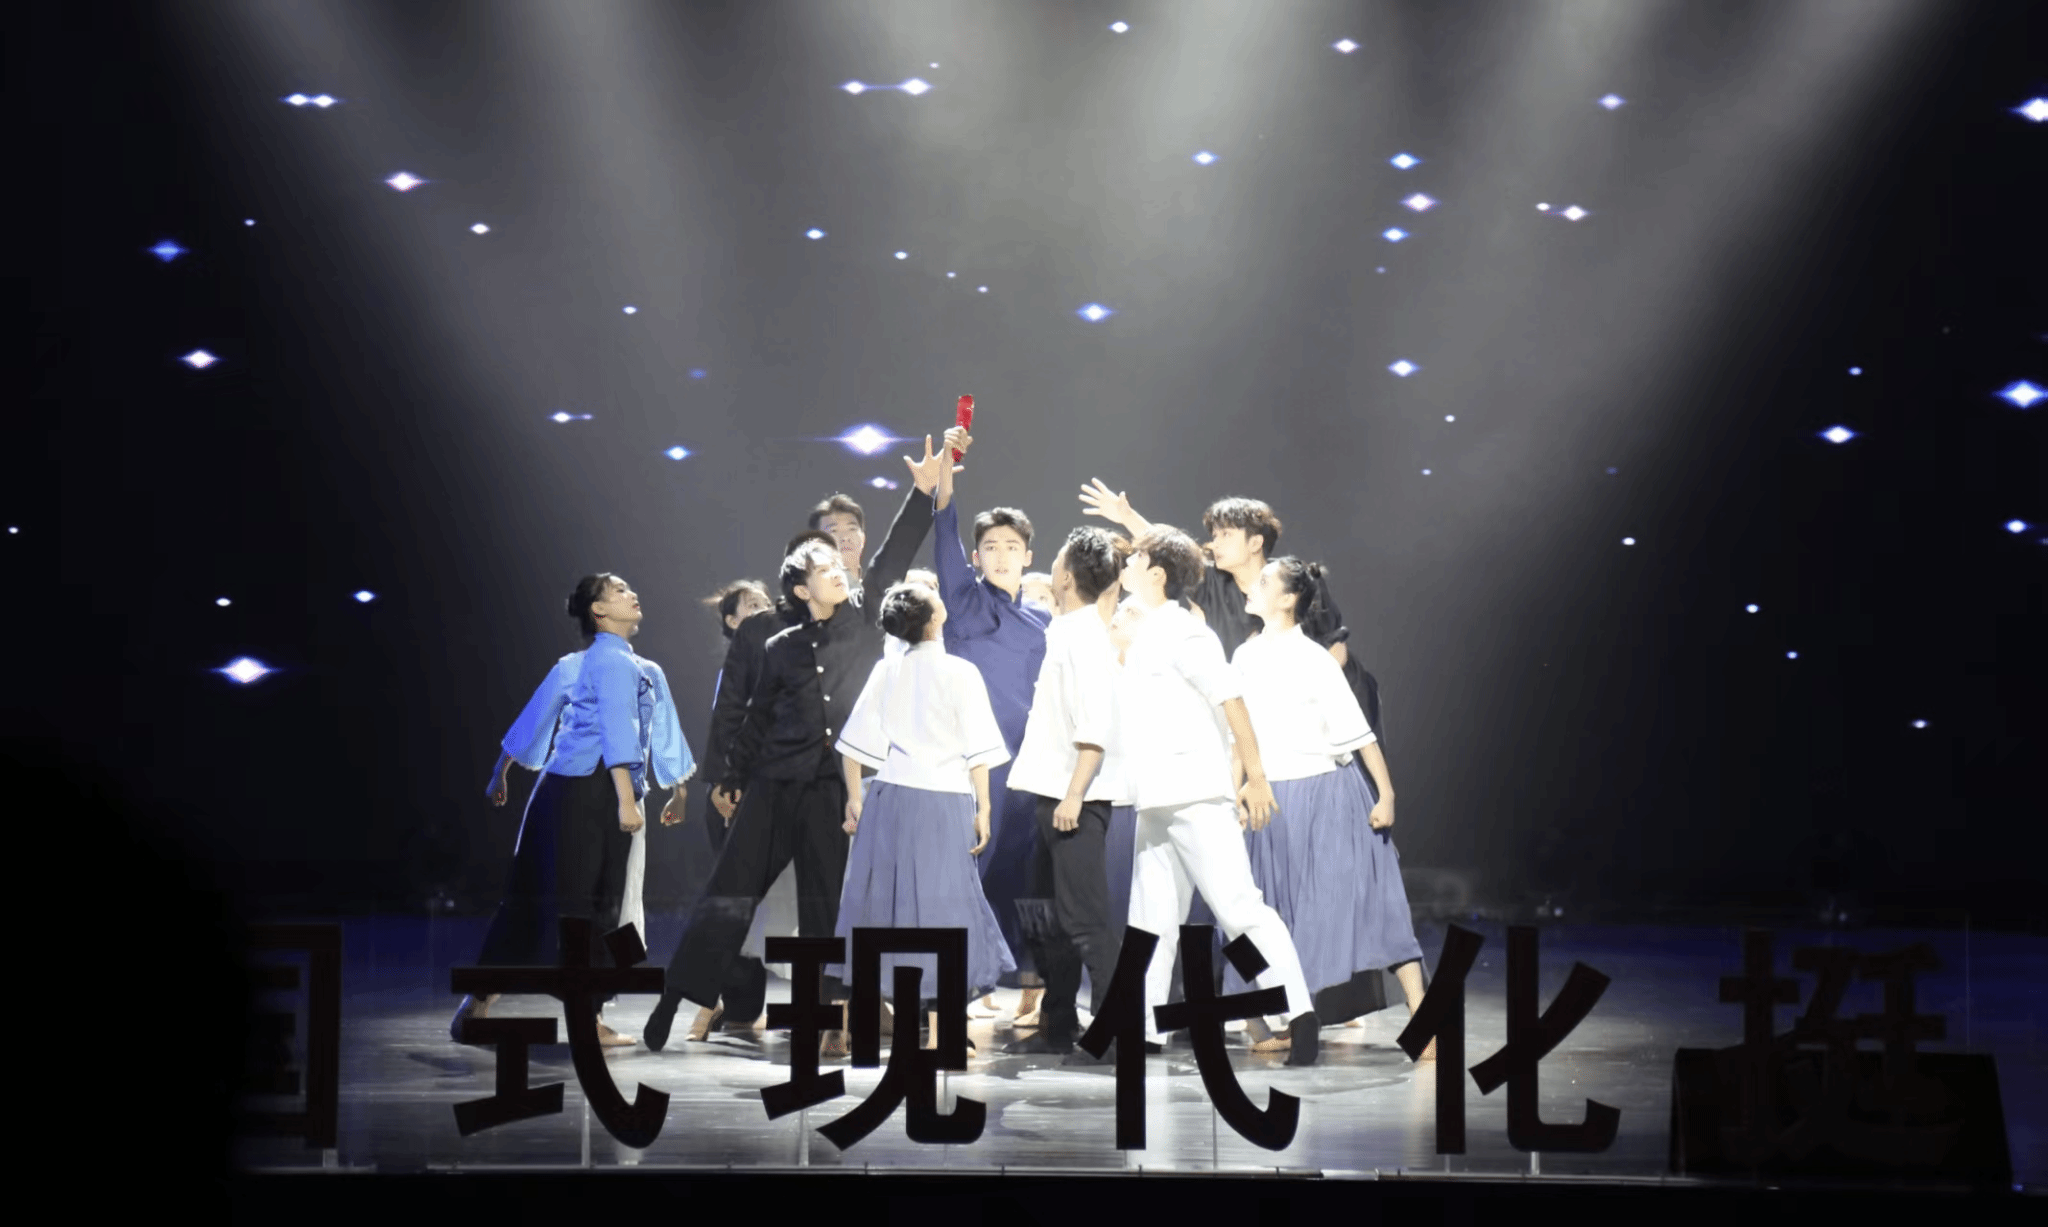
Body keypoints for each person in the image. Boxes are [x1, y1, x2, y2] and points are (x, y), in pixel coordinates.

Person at [452, 575, 693, 1047]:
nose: (632, 594)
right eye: (618, 591)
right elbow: (576, 723)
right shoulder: (593, 663)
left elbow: (664, 731)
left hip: (591, 792)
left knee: (577, 902)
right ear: (598, 612)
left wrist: (677, 790)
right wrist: (627, 799)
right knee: (587, 905)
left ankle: (497, 1000)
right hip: (586, 793)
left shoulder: (646, 669)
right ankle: (578, 1014)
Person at [1114, 527, 1322, 1065]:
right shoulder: (1145, 633)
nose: (1126, 563)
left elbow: (1232, 702)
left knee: (1238, 908)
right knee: (1150, 919)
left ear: (1156, 574)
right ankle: (1141, 1031)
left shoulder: (1187, 634)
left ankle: (1299, 1015)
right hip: (1155, 796)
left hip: (1196, 794)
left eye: (1135, 558)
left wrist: (1256, 776)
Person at [1228, 557, 1432, 1056]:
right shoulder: (1243, 656)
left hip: (1327, 797)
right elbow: (1239, 737)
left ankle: (1425, 1019)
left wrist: (1386, 794)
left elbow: (1358, 732)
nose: (1252, 587)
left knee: (1375, 906)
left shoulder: (1314, 658)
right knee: (1257, 913)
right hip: (1270, 800)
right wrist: (1232, 793)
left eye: (1264, 582)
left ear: (1287, 599)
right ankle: (1271, 1022)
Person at [832, 581, 1016, 1034]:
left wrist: (855, 798)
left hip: (891, 799)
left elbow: (851, 746)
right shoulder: (960, 672)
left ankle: (886, 1015)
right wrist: (985, 808)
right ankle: (940, 1028)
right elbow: (978, 752)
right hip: (944, 799)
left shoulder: (887, 669)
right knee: (945, 906)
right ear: (935, 619)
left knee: (888, 906)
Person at [932, 426, 1052, 1021]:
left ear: (1029, 555)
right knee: (970, 870)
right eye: (991, 546)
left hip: (1033, 766)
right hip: (978, 766)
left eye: (1012, 545)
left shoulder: (1045, 623)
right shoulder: (963, 601)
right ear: (977, 557)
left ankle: (1034, 984)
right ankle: (959, 987)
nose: (1001, 554)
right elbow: (944, 533)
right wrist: (945, 475)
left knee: (1031, 878)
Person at [1002, 527, 1129, 1056]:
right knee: (1049, 919)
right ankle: (1058, 1021)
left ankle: (1114, 1030)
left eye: (1056, 562)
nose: (1052, 570)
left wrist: (1075, 795)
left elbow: (1095, 726)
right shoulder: (1068, 630)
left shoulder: (1086, 638)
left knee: (1086, 919)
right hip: (1052, 793)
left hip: (1075, 798)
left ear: (1068, 577)